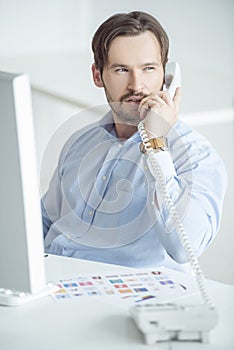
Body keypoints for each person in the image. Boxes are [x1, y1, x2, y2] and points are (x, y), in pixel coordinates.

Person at [41, 11, 227, 272]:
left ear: (167, 75)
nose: (136, 85)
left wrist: (156, 144)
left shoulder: (196, 155)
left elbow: (186, 248)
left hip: (125, 296)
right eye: (121, 70)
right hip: (49, 279)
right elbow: (44, 221)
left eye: (149, 69)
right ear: (98, 75)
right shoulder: (80, 143)